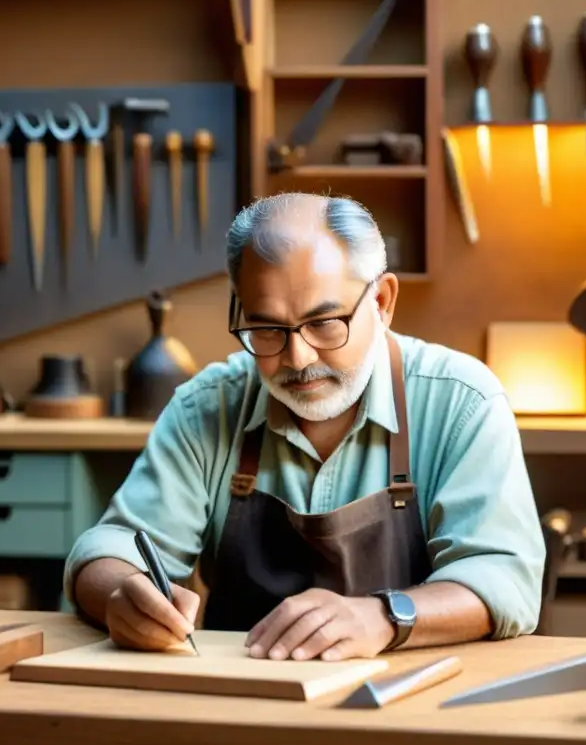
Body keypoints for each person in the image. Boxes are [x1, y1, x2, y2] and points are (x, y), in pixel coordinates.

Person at [64, 192, 545, 662]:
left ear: (381, 300)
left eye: (325, 323)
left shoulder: (461, 400)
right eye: (267, 329)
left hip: (415, 706)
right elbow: (110, 548)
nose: (299, 359)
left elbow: (505, 578)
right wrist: (119, 597)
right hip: (244, 704)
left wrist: (384, 616)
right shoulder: (207, 407)